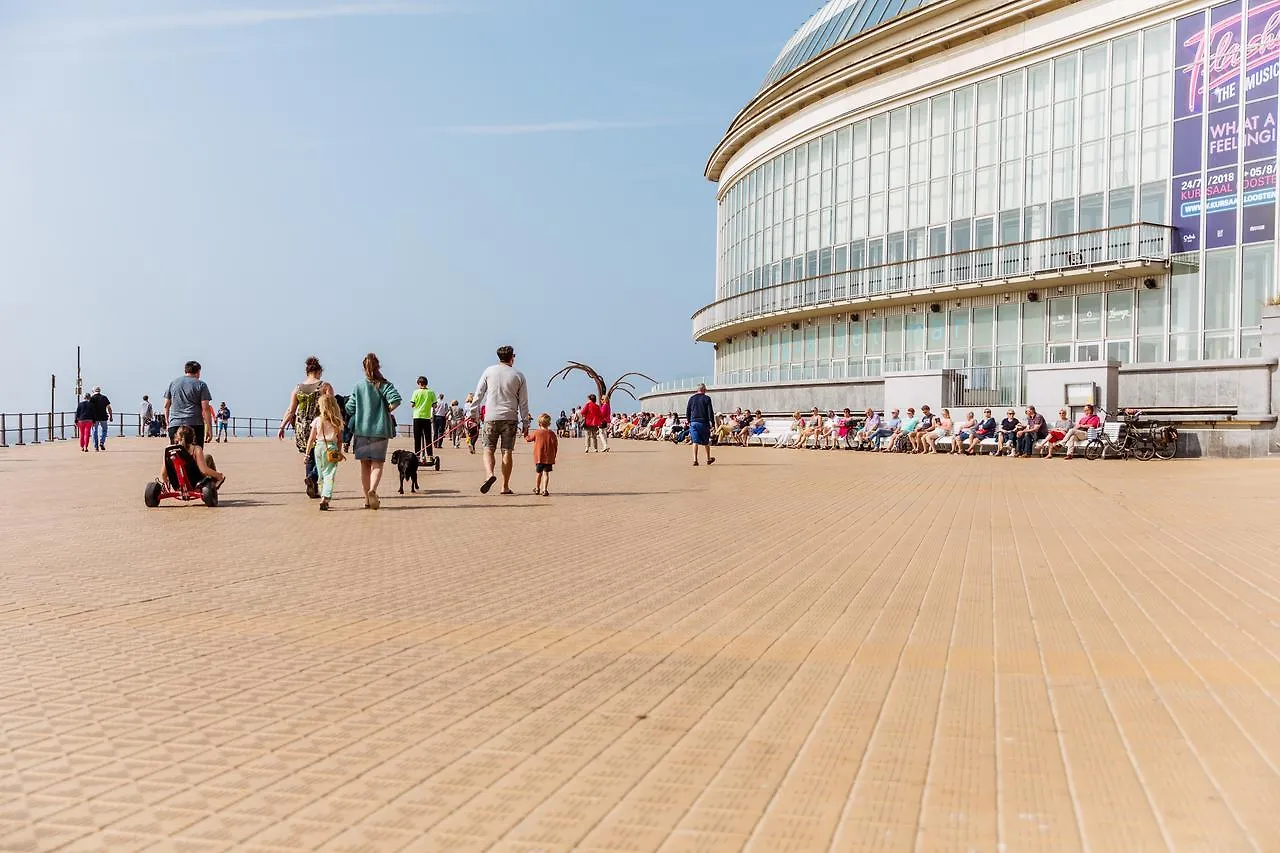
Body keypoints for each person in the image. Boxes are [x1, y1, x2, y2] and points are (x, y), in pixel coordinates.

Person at [344, 353, 401, 510]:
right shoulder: (384, 384)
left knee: (365, 465)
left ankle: (366, 499)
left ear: (364, 368)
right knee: (377, 463)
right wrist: (385, 411)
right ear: (378, 367)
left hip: (362, 429)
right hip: (380, 430)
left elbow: (349, 407)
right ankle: (373, 490)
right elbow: (396, 400)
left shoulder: (359, 386)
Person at [471, 345, 531, 495]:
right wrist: (525, 422)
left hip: (491, 417)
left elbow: (478, 394)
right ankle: (504, 486)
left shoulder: (489, 371)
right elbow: (523, 402)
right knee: (507, 451)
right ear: (512, 358)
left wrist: (473, 413)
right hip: (510, 418)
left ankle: (489, 474)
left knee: (488, 449)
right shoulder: (518, 375)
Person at [278, 356, 333, 499]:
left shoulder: (297, 388)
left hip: (301, 426)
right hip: (318, 425)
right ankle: (312, 477)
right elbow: (331, 408)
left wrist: (282, 426)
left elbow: (291, 410)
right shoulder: (325, 387)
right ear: (319, 371)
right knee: (321, 455)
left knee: (308, 455)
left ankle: (311, 485)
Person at [305, 395, 345, 511]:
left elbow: (311, 439)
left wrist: (307, 454)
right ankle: (325, 498)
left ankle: (323, 494)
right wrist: (339, 451)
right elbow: (340, 439)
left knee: (321, 474)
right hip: (331, 447)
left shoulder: (317, 420)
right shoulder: (337, 421)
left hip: (319, 447)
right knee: (329, 474)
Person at [164, 362, 213, 447]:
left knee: (176, 454)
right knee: (196, 453)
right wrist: (209, 428)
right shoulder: (201, 384)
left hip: (175, 423)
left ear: (185, 370)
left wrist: (167, 421)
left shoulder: (173, 383)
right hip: (195, 424)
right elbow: (205, 408)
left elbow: (166, 405)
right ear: (198, 371)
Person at [165, 425, 225, 490]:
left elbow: (164, 473)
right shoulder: (196, 449)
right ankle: (215, 482)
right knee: (208, 457)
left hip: (178, 484)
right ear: (192, 437)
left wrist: (166, 484)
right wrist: (219, 475)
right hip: (196, 483)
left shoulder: (170, 450)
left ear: (177, 437)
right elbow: (204, 470)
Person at [525, 413, 559, 497]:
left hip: (539, 457)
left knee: (538, 473)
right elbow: (555, 444)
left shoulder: (537, 432)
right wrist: (554, 454)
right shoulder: (551, 433)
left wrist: (525, 433)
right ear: (549, 423)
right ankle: (545, 489)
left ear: (539, 423)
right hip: (548, 458)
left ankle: (537, 488)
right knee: (546, 474)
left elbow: (529, 439)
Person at [685, 383, 716, 466]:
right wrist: (712, 423)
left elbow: (688, 411)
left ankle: (695, 460)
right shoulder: (707, 398)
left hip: (693, 422)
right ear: (704, 390)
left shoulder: (691, 398)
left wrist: (689, 421)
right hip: (703, 423)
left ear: (697, 390)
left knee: (695, 442)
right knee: (706, 442)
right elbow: (710, 412)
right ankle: (708, 459)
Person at [410, 377, 437, 462]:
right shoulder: (431, 392)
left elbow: (412, 404)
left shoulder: (416, 392)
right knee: (428, 437)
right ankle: (429, 456)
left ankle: (417, 456)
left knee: (417, 438)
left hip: (417, 417)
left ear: (419, 384)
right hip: (426, 417)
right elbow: (435, 405)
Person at [89, 386, 112, 451]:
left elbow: (89, 408)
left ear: (93, 391)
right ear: (100, 391)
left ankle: (96, 447)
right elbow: (109, 408)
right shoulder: (104, 397)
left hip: (94, 418)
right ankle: (102, 442)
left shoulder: (92, 398)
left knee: (94, 431)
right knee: (104, 430)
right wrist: (111, 416)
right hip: (103, 417)